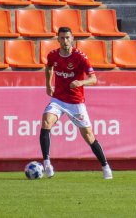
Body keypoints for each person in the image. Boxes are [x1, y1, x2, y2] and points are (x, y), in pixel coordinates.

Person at [39, 27, 112, 179]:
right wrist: (48, 85)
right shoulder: (52, 55)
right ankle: (47, 163)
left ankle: (105, 167)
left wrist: (80, 82)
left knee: (88, 136)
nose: (65, 41)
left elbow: (94, 79)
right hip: (58, 99)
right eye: (62, 38)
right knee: (46, 122)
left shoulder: (80, 57)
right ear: (58, 39)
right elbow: (49, 68)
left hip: (75, 102)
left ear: (72, 39)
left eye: (67, 38)